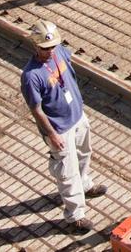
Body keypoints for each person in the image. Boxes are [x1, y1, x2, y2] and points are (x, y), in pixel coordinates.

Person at [21, 19, 107, 234]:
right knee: (66, 172)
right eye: (45, 48)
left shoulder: (60, 52)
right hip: (59, 129)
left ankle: (85, 184)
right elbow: (37, 110)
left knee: (84, 153)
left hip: (77, 116)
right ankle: (75, 214)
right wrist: (52, 134)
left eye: (52, 47)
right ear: (35, 46)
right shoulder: (31, 76)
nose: (50, 52)